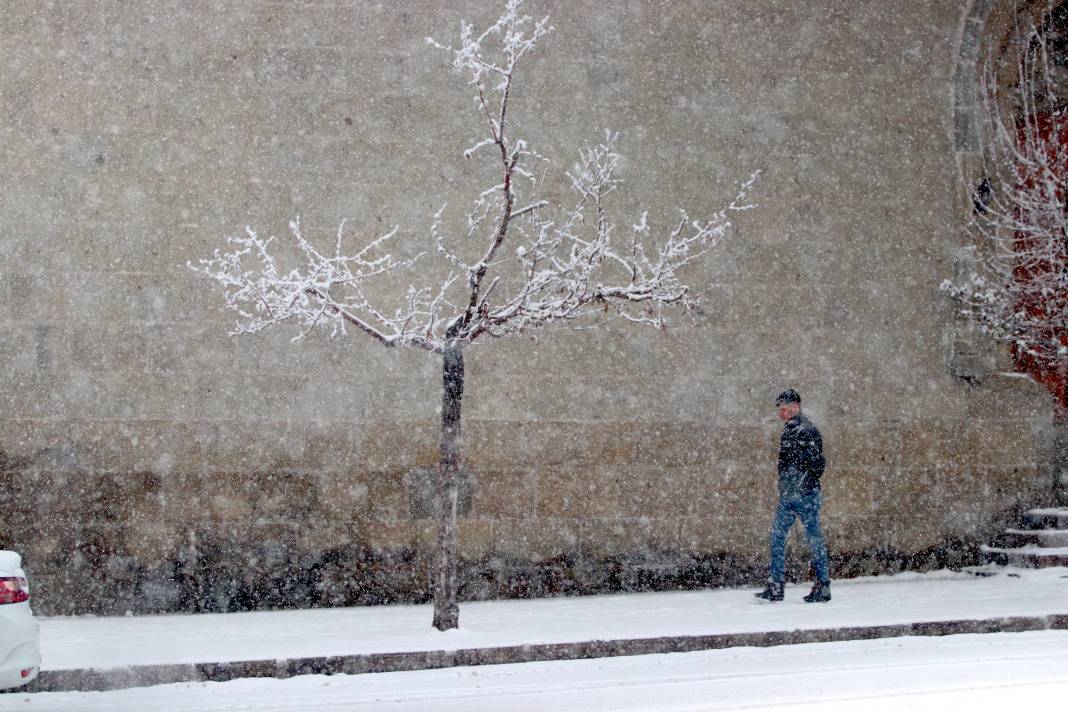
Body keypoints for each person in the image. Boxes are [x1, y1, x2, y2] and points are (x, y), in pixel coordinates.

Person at [755, 389, 831, 603]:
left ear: (796, 407)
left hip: (804, 495)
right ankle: (776, 585)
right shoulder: (790, 430)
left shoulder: (806, 431)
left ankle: (822, 585)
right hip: (789, 496)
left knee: (812, 538)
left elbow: (817, 464)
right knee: (779, 536)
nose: (781, 413)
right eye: (780, 409)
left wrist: (801, 484)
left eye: (785, 409)